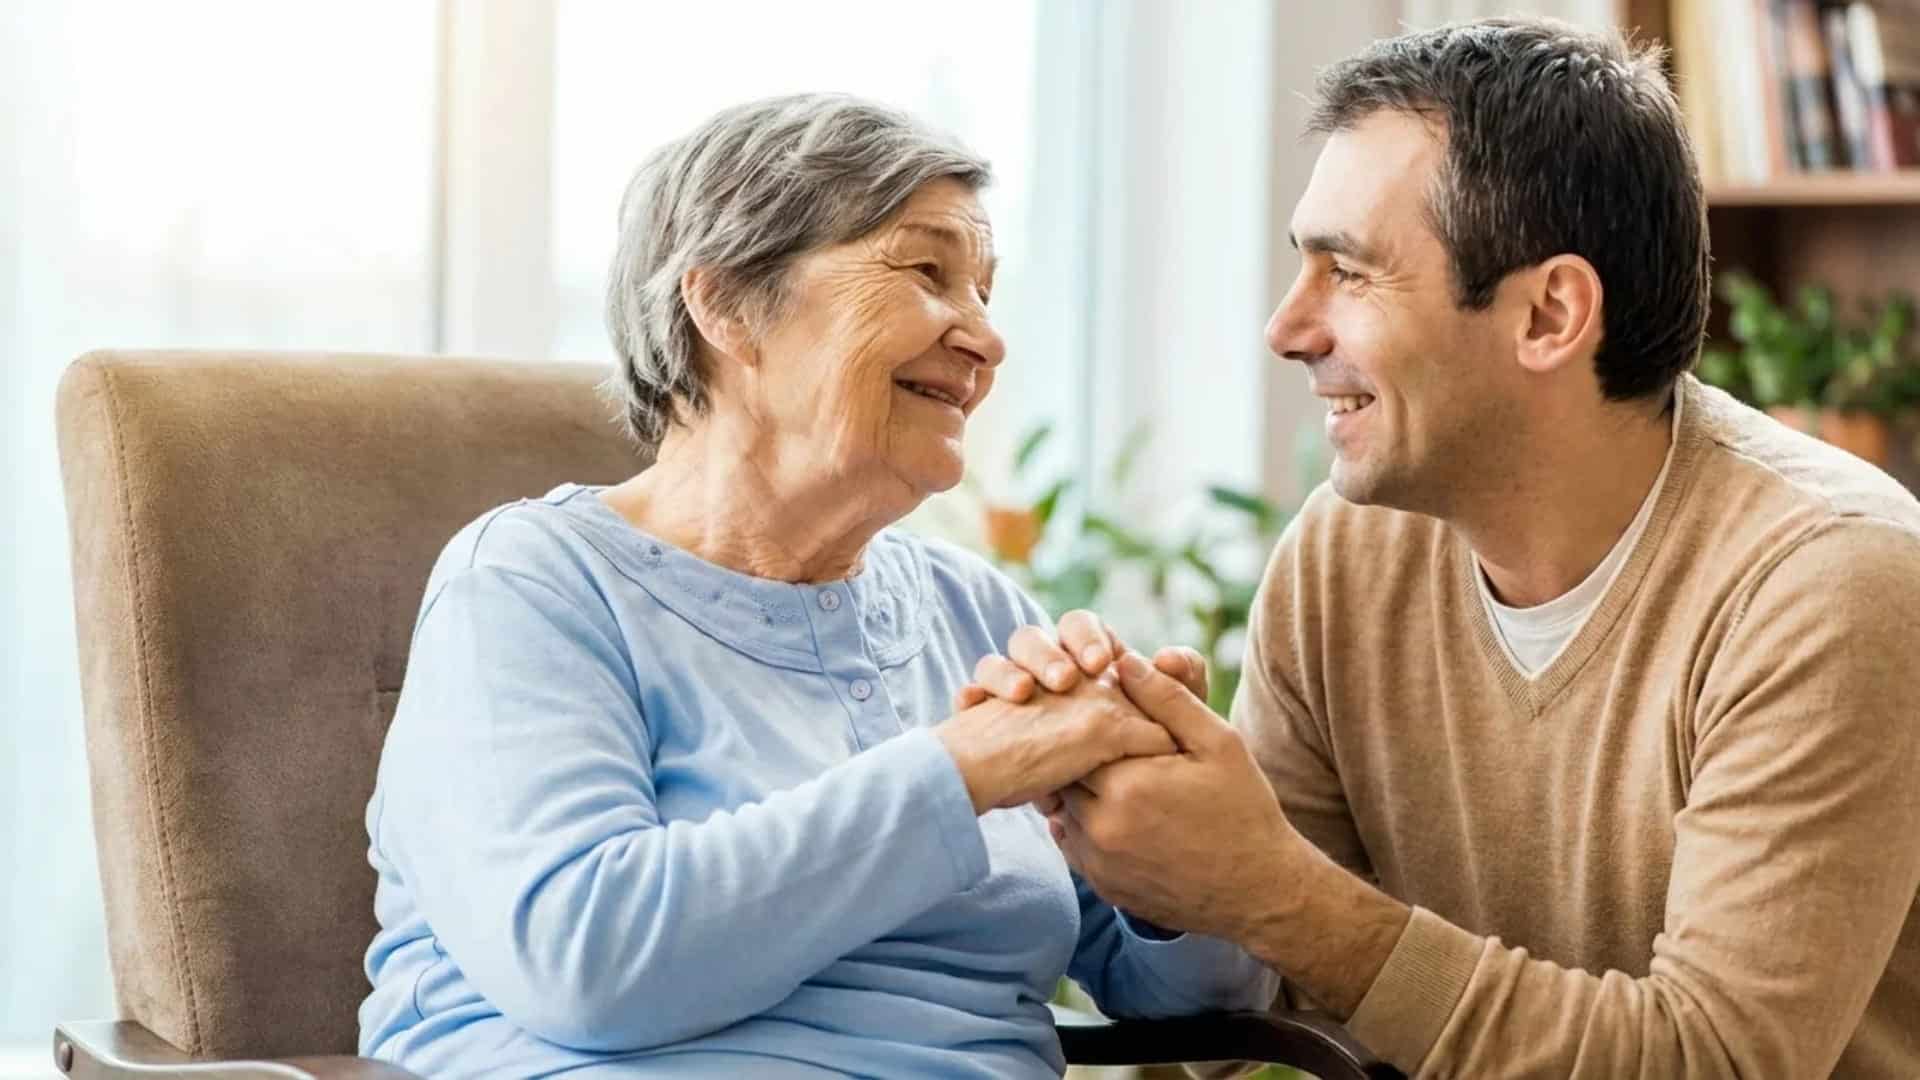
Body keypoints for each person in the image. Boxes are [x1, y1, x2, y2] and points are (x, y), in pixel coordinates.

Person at [970, 17, 1920, 1079]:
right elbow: (1237, 1027)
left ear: (1550, 313)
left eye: (1351, 272)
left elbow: (1711, 1060)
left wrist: (1274, 891)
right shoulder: (1346, 554)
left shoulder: (1831, 580)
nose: (1287, 328)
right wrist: (1144, 817)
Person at [356, 93, 1276, 1079]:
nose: (985, 339)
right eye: (928, 272)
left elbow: (1187, 1002)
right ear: (725, 305)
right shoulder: (531, 585)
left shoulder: (980, 613)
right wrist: (960, 771)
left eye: (986, 294)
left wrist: (1172, 839)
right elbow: (588, 961)